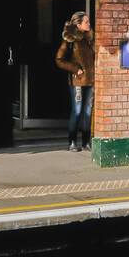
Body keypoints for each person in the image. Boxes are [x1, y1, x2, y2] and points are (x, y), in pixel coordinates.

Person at [55, 11, 95, 152]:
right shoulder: (70, 40)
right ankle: (72, 142)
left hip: (91, 81)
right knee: (77, 111)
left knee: (88, 112)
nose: (89, 24)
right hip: (77, 81)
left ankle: (86, 143)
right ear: (78, 25)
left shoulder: (90, 39)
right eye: (86, 22)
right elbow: (59, 60)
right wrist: (75, 68)